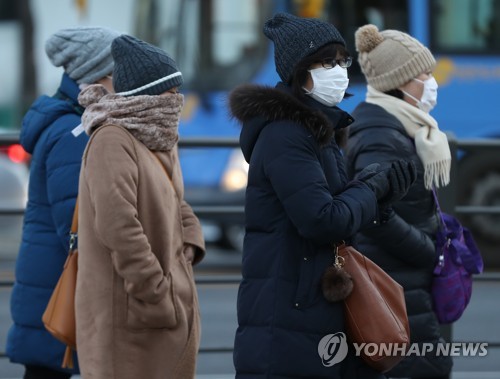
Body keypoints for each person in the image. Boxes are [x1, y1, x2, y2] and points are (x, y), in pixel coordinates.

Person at [228, 12, 416, 379]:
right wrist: (370, 187)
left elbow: (338, 207)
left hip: (314, 311)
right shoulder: (287, 134)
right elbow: (323, 220)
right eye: (326, 61)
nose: (339, 70)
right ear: (301, 73)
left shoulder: (319, 127)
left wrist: (381, 196)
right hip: (288, 318)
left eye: (342, 60)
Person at [75, 34, 205, 379]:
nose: (178, 99)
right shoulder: (113, 139)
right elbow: (118, 227)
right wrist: (156, 292)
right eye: (170, 91)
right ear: (148, 94)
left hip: (155, 301)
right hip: (130, 310)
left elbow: (177, 199)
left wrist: (189, 242)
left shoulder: (155, 134)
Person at [6, 26, 120, 379]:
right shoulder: (73, 133)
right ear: (98, 75)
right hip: (61, 298)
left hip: (50, 291)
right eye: (119, 70)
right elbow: (79, 224)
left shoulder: (71, 122)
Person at [345, 24, 454, 378]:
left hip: (404, 284)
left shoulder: (402, 127)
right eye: (425, 74)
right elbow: (374, 214)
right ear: (401, 81)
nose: (432, 82)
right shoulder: (381, 136)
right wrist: (428, 249)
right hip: (396, 285)